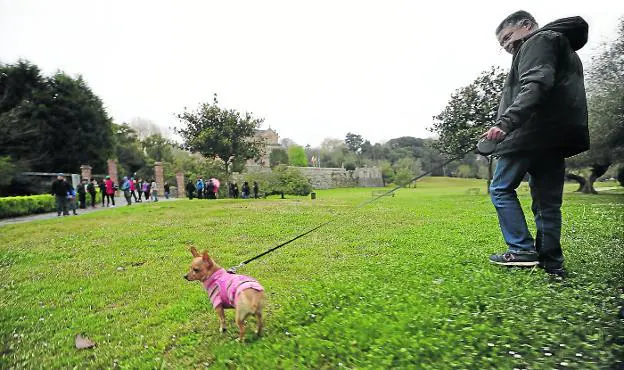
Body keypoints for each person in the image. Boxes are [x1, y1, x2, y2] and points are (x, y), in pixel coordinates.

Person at [484, 11, 589, 277]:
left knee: (500, 189)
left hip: (528, 133)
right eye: (502, 43)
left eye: (508, 37)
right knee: (547, 203)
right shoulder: (561, 45)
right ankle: (553, 264)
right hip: (554, 137)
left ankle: (521, 250)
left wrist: (504, 123)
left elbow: (536, 85)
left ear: (526, 26)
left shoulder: (537, 42)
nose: (507, 45)